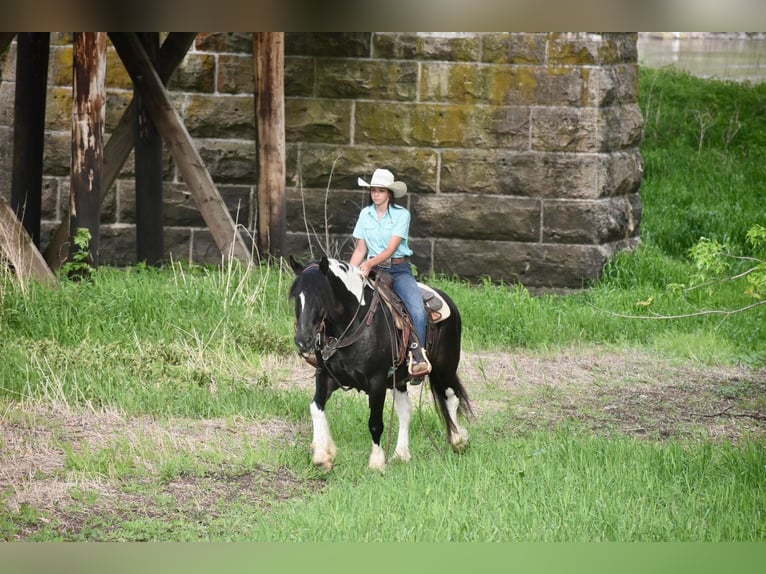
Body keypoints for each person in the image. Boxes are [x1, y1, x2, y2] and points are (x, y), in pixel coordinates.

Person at [349, 168, 431, 380]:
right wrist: (349, 272)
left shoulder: (402, 215)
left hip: (398, 268)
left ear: (389, 193)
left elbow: (391, 249)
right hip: (374, 270)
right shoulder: (364, 215)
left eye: (380, 191)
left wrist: (369, 263)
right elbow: (360, 249)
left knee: (416, 308)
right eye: (373, 190)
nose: (376, 194)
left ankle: (417, 355)